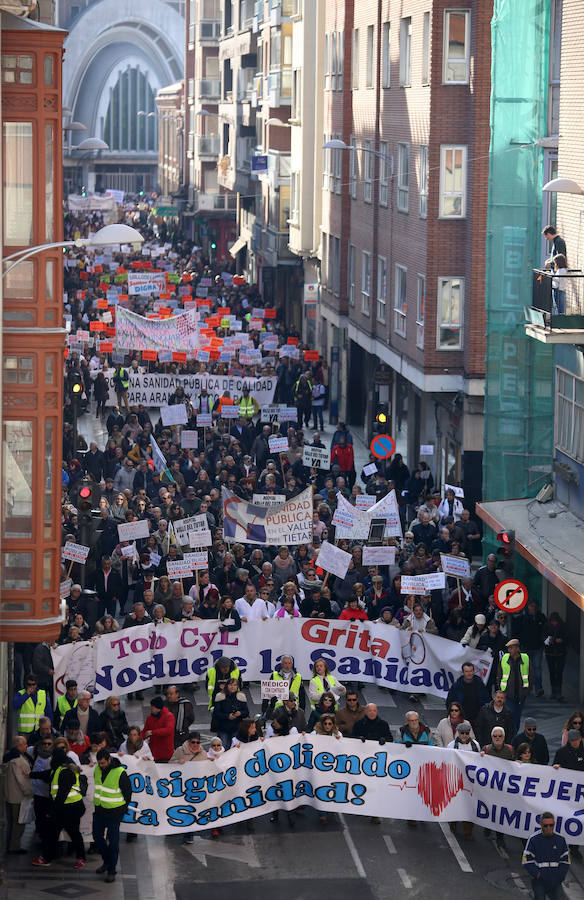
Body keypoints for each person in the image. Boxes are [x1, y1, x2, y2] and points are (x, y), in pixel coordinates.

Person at [93, 748, 132, 883]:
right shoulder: (97, 769)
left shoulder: (120, 772)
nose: (101, 766)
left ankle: (111, 870)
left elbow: (128, 793)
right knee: (97, 837)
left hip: (114, 813)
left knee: (113, 843)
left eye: (103, 763)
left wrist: (122, 809)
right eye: (99, 763)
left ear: (109, 760)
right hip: (99, 811)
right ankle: (107, 861)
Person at [49, 746, 86, 869]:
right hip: (71, 807)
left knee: (71, 833)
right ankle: (80, 857)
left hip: (70, 808)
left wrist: (53, 810)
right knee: (59, 832)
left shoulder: (65, 771)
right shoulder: (62, 768)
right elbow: (47, 775)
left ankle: (48, 857)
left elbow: (62, 794)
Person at [523, 811, 570, 900]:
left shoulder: (561, 840)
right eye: (545, 825)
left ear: (554, 824)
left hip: (555, 881)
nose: (548, 828)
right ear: (541, 825)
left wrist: (560, 877)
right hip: (539, 881)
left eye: (551, 825)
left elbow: (565, 861)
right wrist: (537, 875)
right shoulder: (534, 839)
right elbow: (526, 861)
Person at [497, 638, 534, 733]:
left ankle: (514, 733)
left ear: (517, 648)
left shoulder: (525, 658)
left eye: (511, 648)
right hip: (508, 694)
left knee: (517, 716)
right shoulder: (505, 658)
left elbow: (531, 675)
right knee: (511, 714)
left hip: (521, 694)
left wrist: (527, 691)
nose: (509, 650)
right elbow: (499, 674)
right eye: (508, 648)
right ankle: (512, 734)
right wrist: (501, 689)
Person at [4, 736, 32, 855]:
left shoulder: (8, 757)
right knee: (18, 824)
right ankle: (14, 847)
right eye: (25, 744)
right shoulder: (18, 760)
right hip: (18, 797)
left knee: (11, 823)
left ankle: (10, 845)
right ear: (19, 746)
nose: (26, 746)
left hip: (9, 795)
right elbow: (23, 780)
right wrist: (29, 793)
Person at [446, 662, 490, 731]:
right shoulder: (457, 686)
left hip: (477, 719)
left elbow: (486, 700)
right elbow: (449, 702)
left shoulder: (480, 685)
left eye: (471, 671)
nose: (469, 673)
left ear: (473, 671)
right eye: (467, 671)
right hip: (461, 719)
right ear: (463, 672)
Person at [519, 600, 547, 697]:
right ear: (528, 607)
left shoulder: (541, 617)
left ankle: (538, 688)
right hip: (525, 647)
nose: (533, 608)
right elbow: (519, 631)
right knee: (525, 669)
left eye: (534, 606)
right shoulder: (523, 617)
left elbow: (544, 630)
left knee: (537, 668)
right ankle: (526, 689)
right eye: (531, 606)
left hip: (537, 648)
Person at [213, 678, 249, 750]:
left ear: (237, 686)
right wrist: (227, 716)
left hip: (237, 727)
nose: (232, 687)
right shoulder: (220, 696)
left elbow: (246, 712)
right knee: (223, 748)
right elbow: (216, 713)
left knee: (235, 749)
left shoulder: (241, 696)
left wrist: (240, 713)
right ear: (227, 686)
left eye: (235, 685)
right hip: (223, 727)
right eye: (230, 685)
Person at [141, 697, 175, 762]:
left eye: (152, 706)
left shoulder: (169, 716)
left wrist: (153, 732)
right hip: (153, 752)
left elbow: (169, 730)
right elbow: (145, 731)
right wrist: (137, 739)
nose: (150, 708)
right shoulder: (150, 718)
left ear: (158, 707)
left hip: (165, 754)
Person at [545, 611, 568, 702]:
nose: (554, 623)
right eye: (553, 621)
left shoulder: (563, 626)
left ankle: (558, 691)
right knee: (552, 672)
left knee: (559, 672)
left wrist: (561, 640)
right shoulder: (547, 626)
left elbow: (567, 637)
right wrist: (549, 640)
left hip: (560, 652)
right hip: (550, 652)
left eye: (556, 621)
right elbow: (543, 636)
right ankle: (553, 691)